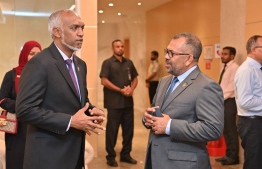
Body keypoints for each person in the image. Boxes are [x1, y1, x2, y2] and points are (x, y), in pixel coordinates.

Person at [15, 9, 105, 169]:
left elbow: (79, 102)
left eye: (82, 28)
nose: (81, 33)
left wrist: (91, 111)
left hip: (75, 154)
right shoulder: (39, 63)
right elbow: (25, 110)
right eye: (74, 28)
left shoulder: (80, 65)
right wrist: (70, 121)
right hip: (48, 158)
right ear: (57, 32)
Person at [142, 32, 224, 169]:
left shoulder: (206, 86)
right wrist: (147, 118)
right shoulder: (164, 81)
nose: (166, 57)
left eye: (172, 53)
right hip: (156, 160)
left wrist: (169, 126)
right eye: (166, 51)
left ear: (188, 59)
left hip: (184, 164)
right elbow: (155, 111)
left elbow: (213, 129)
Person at [0, 40, 41, 169]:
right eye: (31, 53)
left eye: (38, 54)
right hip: (17, 128)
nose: (35, 57)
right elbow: (2, 99)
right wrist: (22, 106)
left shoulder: (44, 75)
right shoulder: (11, 75)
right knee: (16, 162)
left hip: (38, 126)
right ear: (24, 55)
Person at [100, 39, 138, 167]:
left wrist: (131, 89)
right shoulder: (107, 63)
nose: (120, 48)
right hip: (114, 103)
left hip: (128, 103)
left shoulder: (129, 63)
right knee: (112, 131)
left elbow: (135, 78)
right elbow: (104, 81)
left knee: (128, 131)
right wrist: (120, 90)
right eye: (117, 46)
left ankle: (125, 155)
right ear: (113, 48)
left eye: (122, 46)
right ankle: (110, 156)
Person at [234, 35, 262, 169]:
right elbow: (245, 101)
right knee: (254, 163)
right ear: (253, 49)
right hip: (251, 123)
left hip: (257, 121)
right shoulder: (246, 70)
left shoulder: (258, 68)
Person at [215, 46, 239, 165]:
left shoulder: (235, 68)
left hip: (230, 101)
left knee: (230, 129)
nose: (222, 56)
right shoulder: (224, 68)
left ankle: (233, 156)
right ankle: (228, 154)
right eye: (222, 54)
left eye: (225, 54)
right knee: (225, 128)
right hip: (222, 100)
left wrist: (220, 98)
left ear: (232, 56)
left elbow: (231, 88)